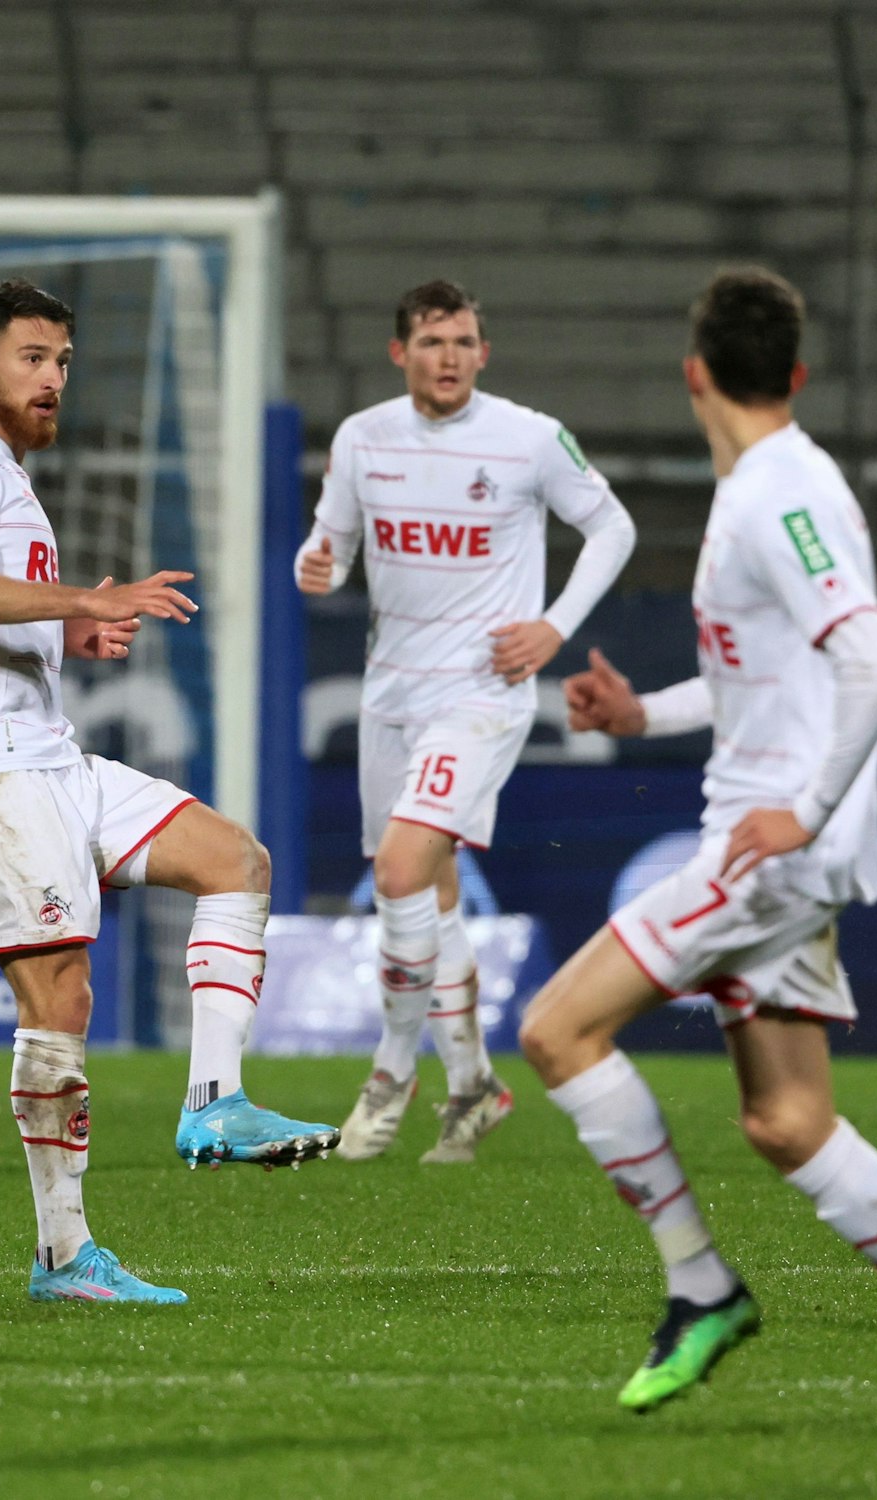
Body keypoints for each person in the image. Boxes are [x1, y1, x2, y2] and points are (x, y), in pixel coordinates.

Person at [519, 268, 877, 1427]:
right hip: (779, 845)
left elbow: (875, 659)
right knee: (784, 1121)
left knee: (555, 1030)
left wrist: (801, 812)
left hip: (769, 856)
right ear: (793, 376)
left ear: (692, 372)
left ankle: (700, 1288)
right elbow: (764, 668)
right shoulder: (781, 487)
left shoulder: (772, 497)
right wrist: (641, 717)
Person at [0, 280, 338, 1304]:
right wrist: (77, 599)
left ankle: (216, 1102)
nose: (51, 380)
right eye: (31, 359)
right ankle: (62, 1257)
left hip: (48, 759)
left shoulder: (4, 471)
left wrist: (65, 632)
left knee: (234, 862)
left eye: (61, 361)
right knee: (61, 1001)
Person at [297, 280, 637, 1164]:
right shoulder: (363, 438)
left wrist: (554, 626)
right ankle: (475, 1085)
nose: (446, 356)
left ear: (483, 354)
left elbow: (613, 529)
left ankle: (389, 1074)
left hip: (481, 696)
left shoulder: (528, 439)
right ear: (399, 352)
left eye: (462, 342)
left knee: (402, 867)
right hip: (390, 695)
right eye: (430, 341)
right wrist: (319, 566)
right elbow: (329, 552)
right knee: (428, 898)